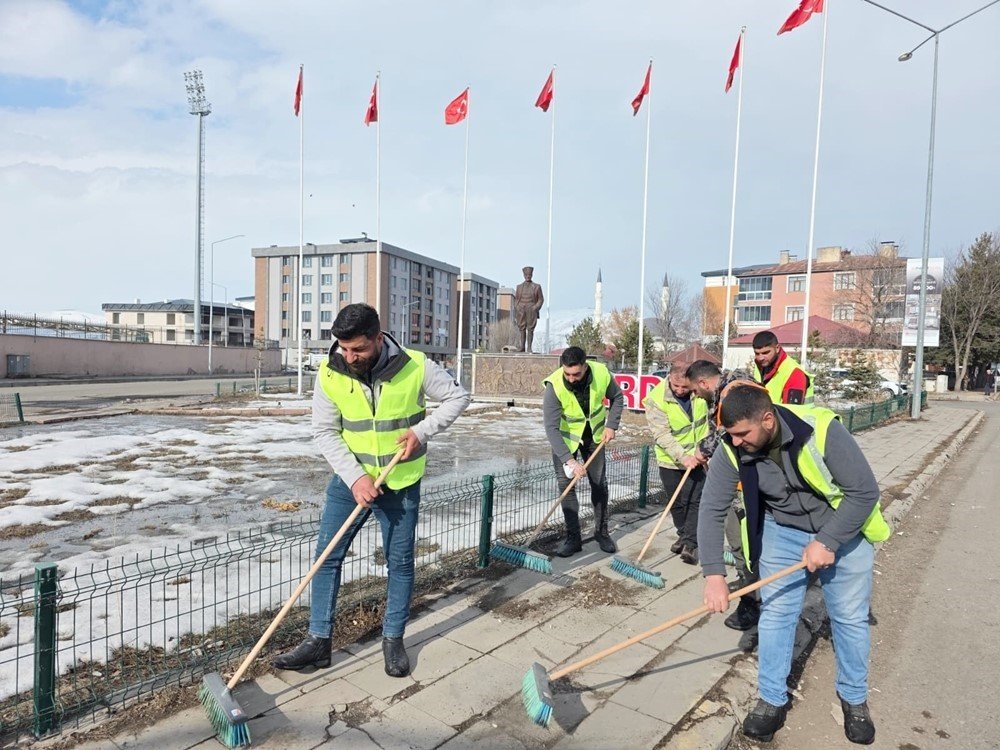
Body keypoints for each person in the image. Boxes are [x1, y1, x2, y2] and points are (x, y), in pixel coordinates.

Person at [272, 304, 470, 676]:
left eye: (358, 350)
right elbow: (324, 431)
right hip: (351, 483)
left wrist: (420, 432)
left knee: (399, 564)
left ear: (379, 339)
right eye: (344, 349)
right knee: (326, 558)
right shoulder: (330, 373)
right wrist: (355, 478)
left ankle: (393, 639)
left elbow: (459, 397)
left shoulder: (416, 366)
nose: (349, 357)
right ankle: (318, 642)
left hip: (399, 483)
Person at [698, 384, 889, 745]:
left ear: (767, 419)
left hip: (842, 528)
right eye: (730, 434)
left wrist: (828, 540)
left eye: (742, 434)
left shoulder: (821, 430)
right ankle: (771, 699)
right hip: (782, 531)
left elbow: (864, 492)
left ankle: (854, 699)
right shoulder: (730, 448)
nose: (735, 442)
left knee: (849, 618)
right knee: (776, 614)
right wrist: (714, 574)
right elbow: (711, 510)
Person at [684, 360, 761, 631]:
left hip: (740, 485)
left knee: (743, 547)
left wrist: (702, 451)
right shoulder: (737, 386)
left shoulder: (730, 395)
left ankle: (752, 602)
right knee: (748, 545)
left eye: (695, 390)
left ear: (704, 383)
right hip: (746, 480)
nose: (695, 395)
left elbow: (725, 436)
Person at [543, 346, 624, 557]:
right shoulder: (553, 385)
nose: (571, 378)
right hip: (566, 442)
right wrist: (570, 461)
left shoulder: (601, 373)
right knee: (567, 486)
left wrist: (611, 425)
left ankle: (602, 533)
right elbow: (551, 428)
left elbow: (618, 398)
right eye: (567, 373)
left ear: (585, 366)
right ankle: (573, 538)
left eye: (576, 374)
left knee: (599, 484)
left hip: (595, 438)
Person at [642, 365, 709, 564]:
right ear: (669, 378)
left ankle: (691, 543)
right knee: (676, 502)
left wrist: (704, 450)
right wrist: (683, 456)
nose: (680, 390)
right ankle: (684, 534)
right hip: (670, 459)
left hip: (698, 457)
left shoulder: (701, 393)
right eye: (676, 385)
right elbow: (662, 434)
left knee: (695, 499)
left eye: (684, 387)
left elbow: (707, 422)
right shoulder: (656, 399)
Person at [751, 330, 813, 405]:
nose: (761, 358)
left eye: (766, 353)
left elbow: (791, 413)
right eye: (757, 353)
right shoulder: (761, 365)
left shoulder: (794, 373)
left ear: (777, 348)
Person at [514, 266, 544, 353]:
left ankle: (529, 347)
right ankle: (522, 347)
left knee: (530, 329)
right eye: (526, 274)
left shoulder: (537, 287)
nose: (528, 276)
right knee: (522, 328)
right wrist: (517, 306)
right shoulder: (519, 287)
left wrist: (535, 307)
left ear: (532, 275)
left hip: (531, 309)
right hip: (521, 310)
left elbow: (541, 299)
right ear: (524, 275)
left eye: (529, 274)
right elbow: (516, 299)